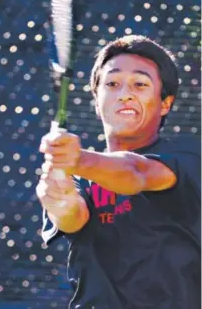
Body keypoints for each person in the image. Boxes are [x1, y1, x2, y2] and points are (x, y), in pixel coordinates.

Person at [36, 35, 201, 309]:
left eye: (140, 84)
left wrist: (76, 159)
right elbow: (72, 218)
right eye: (112, 84)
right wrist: (57, 195)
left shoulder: (190, 157)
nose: (125, 93)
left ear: (165, 103)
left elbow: (137, 173)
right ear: (96, 99)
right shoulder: (77, 174)